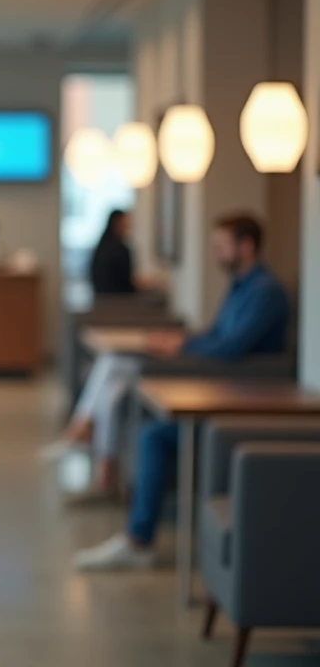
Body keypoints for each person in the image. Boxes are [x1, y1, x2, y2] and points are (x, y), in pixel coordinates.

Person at [73, 213, 290, 570]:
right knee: (133, 401)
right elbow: (217, 334)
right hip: (220, 390)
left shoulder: (265, 292)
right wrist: (183, 341)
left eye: (222, 246)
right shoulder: (241, 286)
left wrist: (183, 350)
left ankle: (137, 538)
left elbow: (232, 347)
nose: (217, 253)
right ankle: (125, 511)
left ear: (246, 247)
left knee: (153, 432)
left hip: (241, 402)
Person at [90, 209, 137, 295]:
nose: (128, 227)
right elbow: (126, 283)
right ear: (118, 224)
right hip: (118, 301)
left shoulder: (101, 245)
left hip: (100, 299)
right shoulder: (120, 249)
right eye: (125, 223)